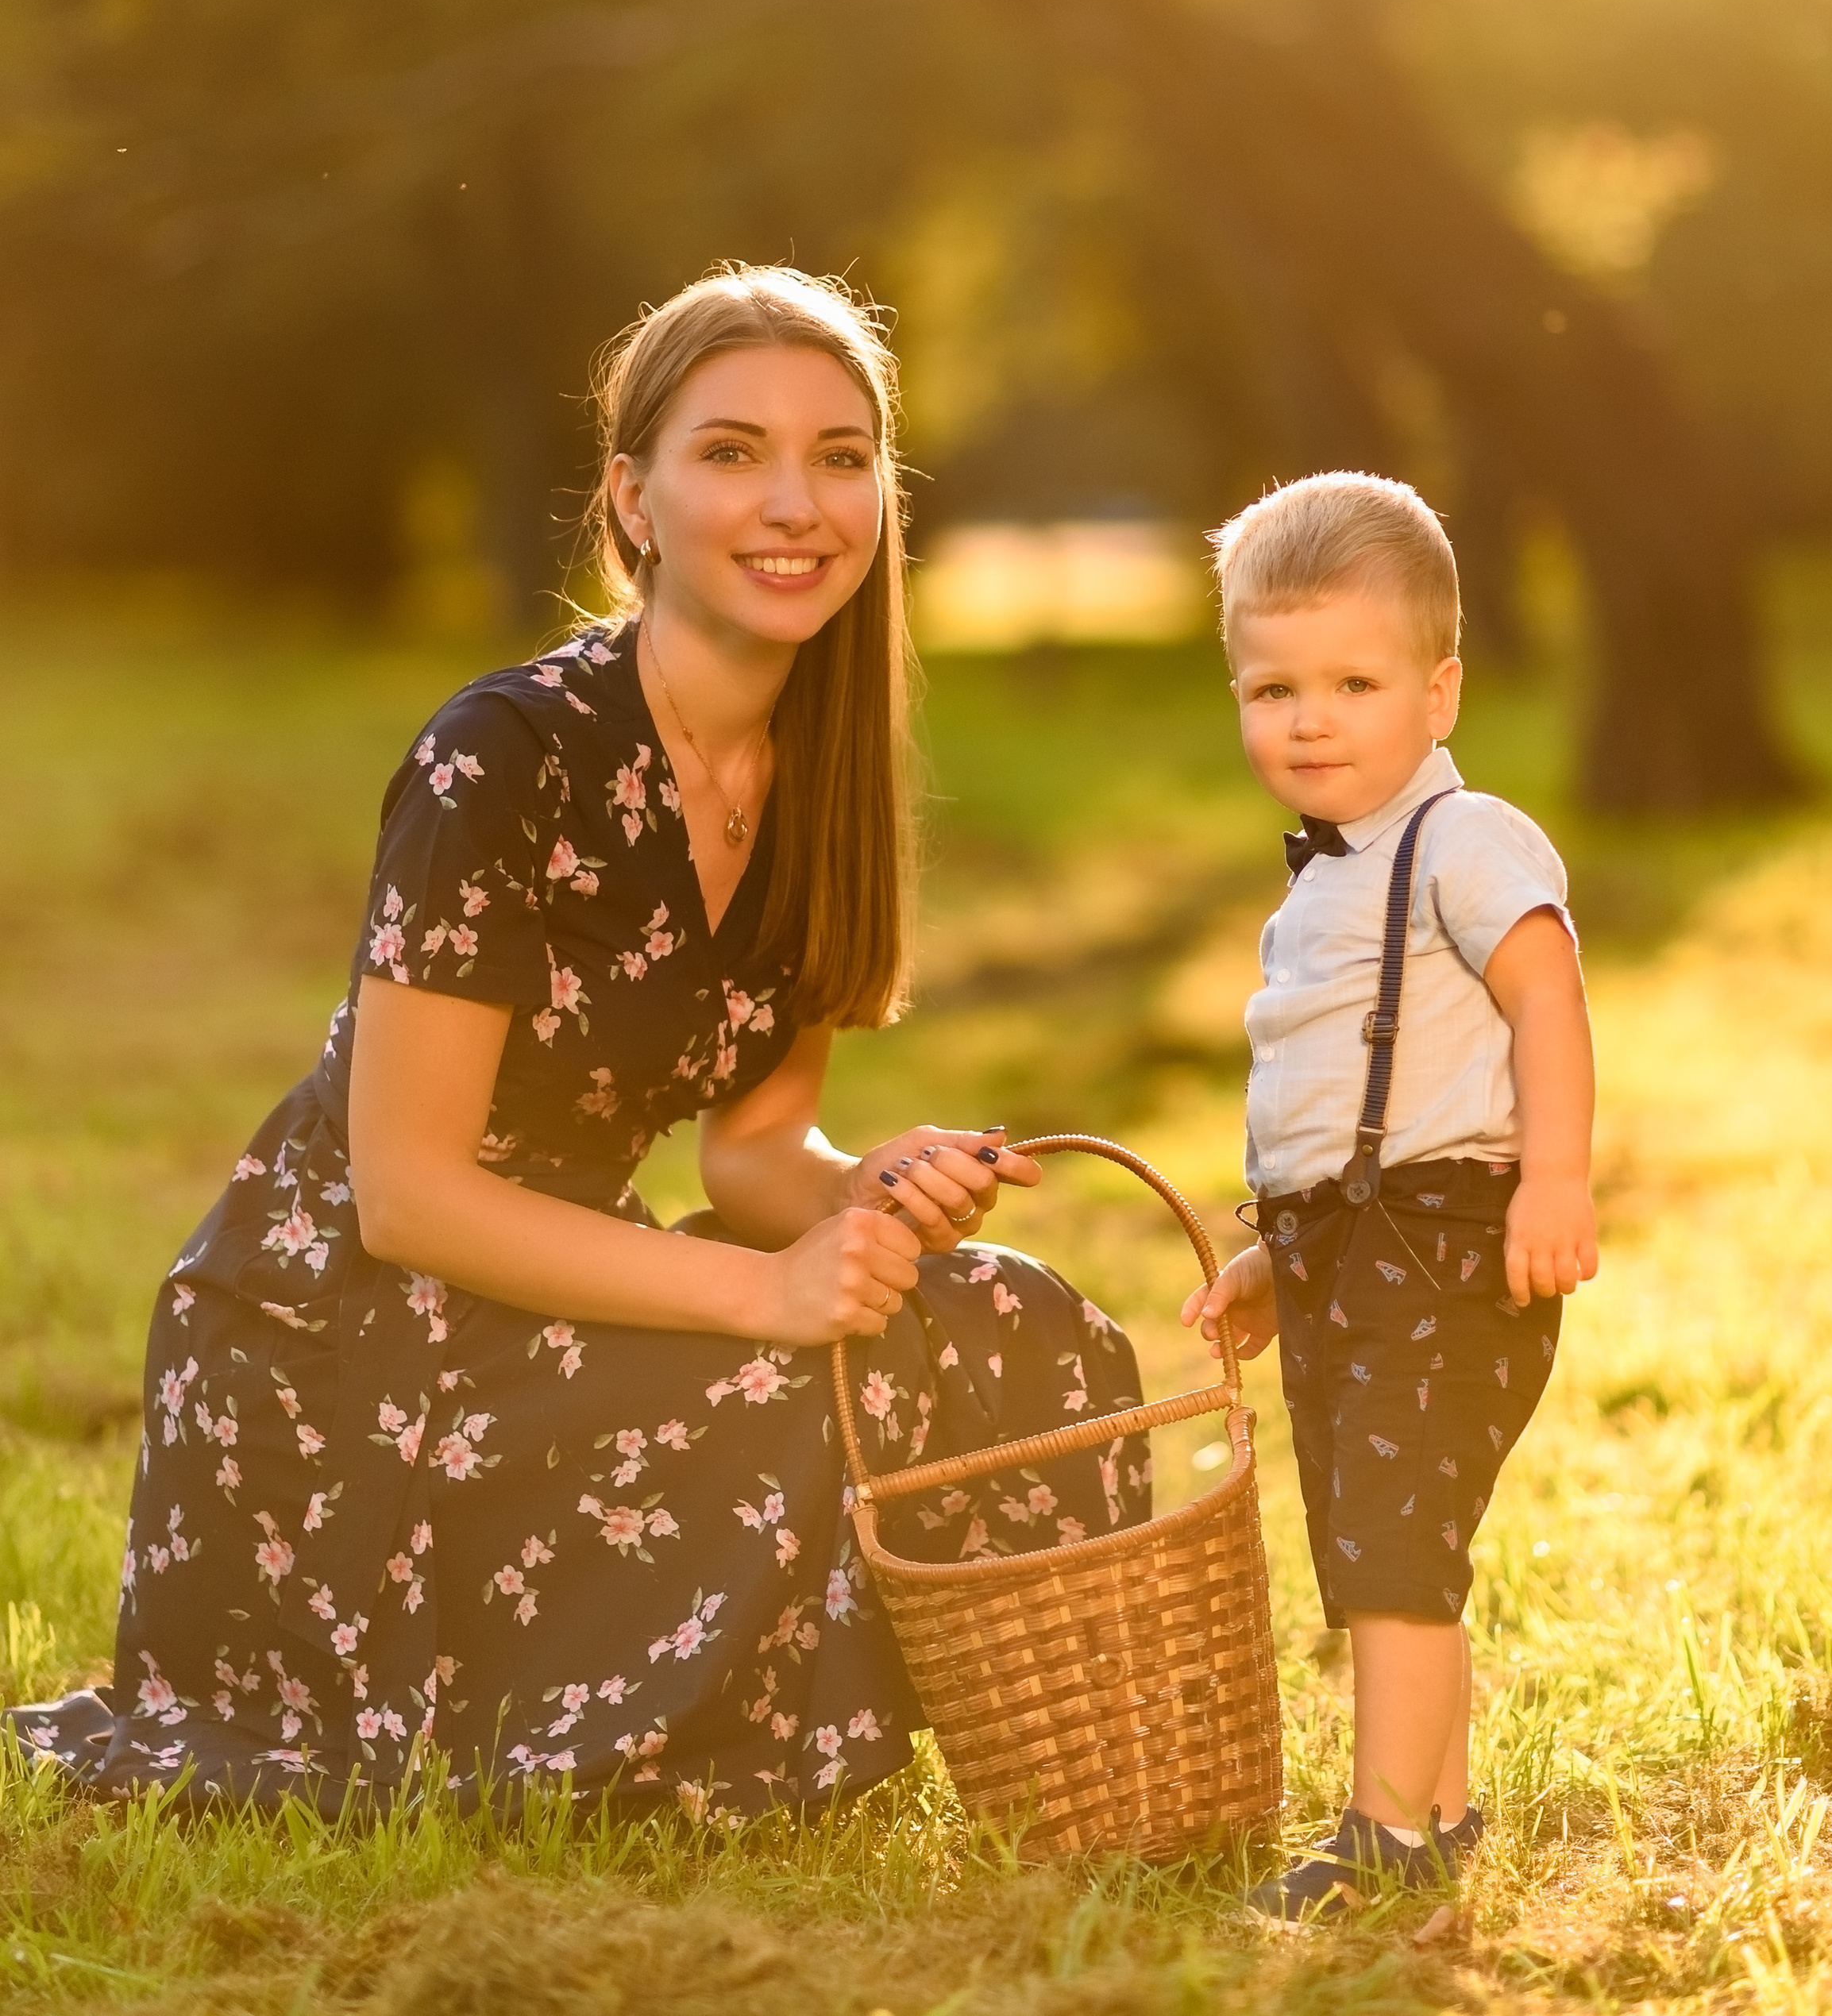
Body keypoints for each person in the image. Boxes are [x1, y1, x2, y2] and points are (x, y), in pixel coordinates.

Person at [6, 265, 1147, 1816]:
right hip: (343, 1344)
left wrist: (860, 1194)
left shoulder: (818, 770)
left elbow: (749, 1148)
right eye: (729, 451)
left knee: (1013, 1318)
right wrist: (765, 1295)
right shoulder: (504, 759)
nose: (793, 500)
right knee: (821, 1388)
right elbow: (404, 1194)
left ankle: (1099, 1781)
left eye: (838, 454)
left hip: (563, 1296)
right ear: (632, 500)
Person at [1177, 471, 1596, 1920]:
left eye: (1353, 681)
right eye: (1270, 685)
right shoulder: (1312, 894)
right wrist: (1276, 1268)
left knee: (1393, 1555)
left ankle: (1384, 1832)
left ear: (1442, 686)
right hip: (1351, 1250)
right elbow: (1320, 1120)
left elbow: (1547, 994)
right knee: (1373, 1534)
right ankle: (1445, 1808)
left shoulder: (1463, 841)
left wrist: (1552, 1175)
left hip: (1450, 1245)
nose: (1306, 718)